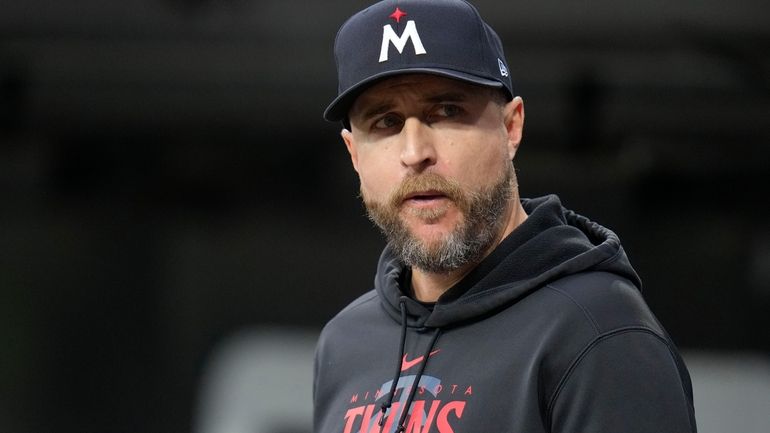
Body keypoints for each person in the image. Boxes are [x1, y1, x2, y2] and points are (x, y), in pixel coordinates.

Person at [313, 1, 697, 432]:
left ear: (511, 127)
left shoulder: (599, 333)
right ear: (354, 155)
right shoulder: (343, 344)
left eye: (447, 112)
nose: (415, 153)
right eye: (385, 122)